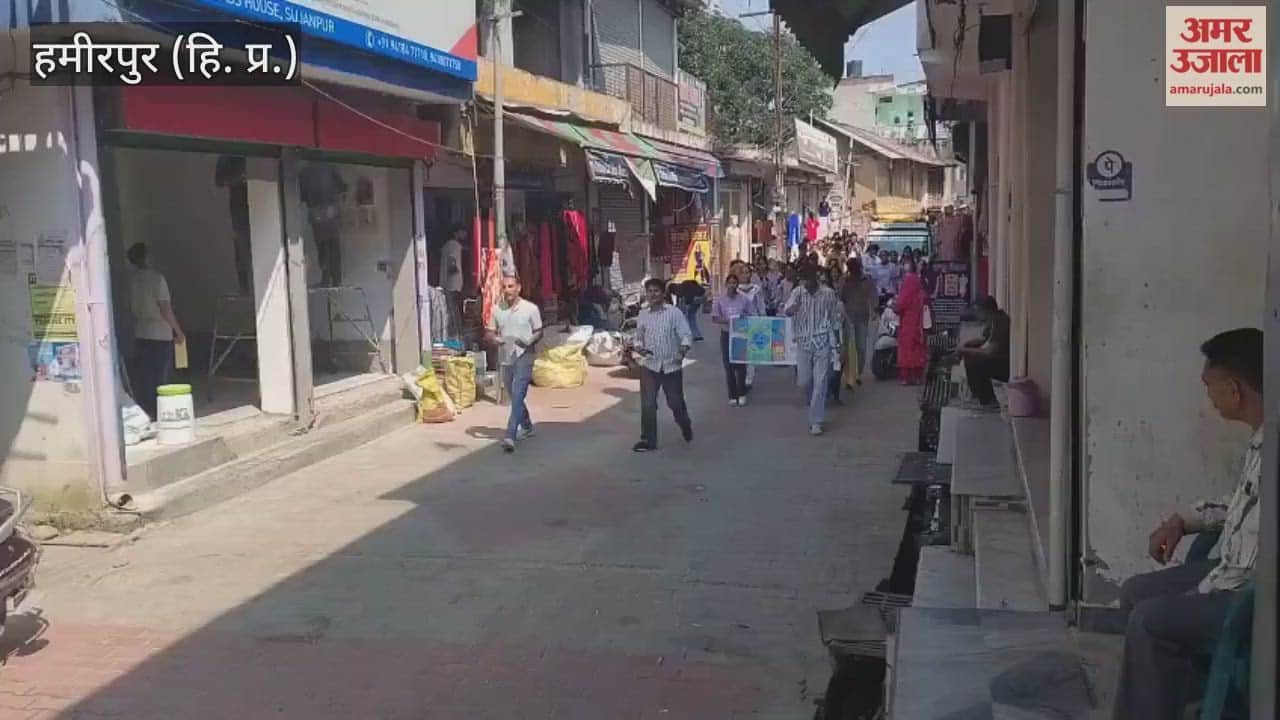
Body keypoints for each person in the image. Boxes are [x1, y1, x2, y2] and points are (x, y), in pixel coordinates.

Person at [1112, 328, 1263, 720]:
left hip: (1248, 594)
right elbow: (1238, 506)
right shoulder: (1262, 441)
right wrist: (1183, 521)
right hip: (1228, 573)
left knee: (1149, 620)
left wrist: (1202, 592)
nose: (1208, 398)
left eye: (1209, 386)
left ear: (1233, 389)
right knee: (1134, 593)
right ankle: (1189, 697)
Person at [631, 278, 694, 452]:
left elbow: (686, 335)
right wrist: (639, 348)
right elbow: (638, 337)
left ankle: (685, 424)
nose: (652, 294)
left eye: (656, 291)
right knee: (648, 404)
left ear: (663, 293)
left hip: (671, 366)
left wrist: (682, 351)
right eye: (649, 291)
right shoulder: (643, 314)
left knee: (675, 403)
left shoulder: (674, 313)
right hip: (649, 366)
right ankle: (649, 440)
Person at [127, 243, 185, 421]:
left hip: (141, 331)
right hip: (160, 333)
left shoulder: (133, 281)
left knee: (145, 375)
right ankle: (163, 413)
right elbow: (165, 309)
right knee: (162, 376)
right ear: (146, 257)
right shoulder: (157, 279)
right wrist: (178, 331)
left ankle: (147, 410)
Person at [486, 275, 543, 453]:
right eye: (504, 287)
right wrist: (496, 340)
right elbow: (489, 333)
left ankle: (510, 434)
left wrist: (529, 341)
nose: (508, 290)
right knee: (513, 393)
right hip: (505, 357)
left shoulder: (530, 309)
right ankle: (526, 425)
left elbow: (539, 331)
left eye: (511, 286)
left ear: (518, 288)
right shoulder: (496, 310)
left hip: (525, 355)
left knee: (518, 393)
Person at [784, 267, 841, 436]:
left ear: (816, 279)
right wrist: (794, 307)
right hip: (803, 342)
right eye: (803, 280)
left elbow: (833, 317)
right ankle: (813, 402)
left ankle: (816, 421)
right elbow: (787, 311)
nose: (805, 284)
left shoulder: (828, 294)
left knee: (820, 382)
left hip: (822, 340)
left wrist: (837, 342)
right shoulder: (797, 293)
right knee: (804, 381)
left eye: (808, 280)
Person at [958, 295, 1011, 408]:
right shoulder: (991, 320)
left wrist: (965, 350)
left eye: (977, 311)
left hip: (1006, 365)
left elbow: (990, 352)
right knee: (971, 356)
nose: (976, 314)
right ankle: (981, 397)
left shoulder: (1001, 321)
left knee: (974, 361)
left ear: (986, 310)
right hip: (999, 359)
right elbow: (984, 339)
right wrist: (969, 344)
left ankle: (987, 400)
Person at [711, 273, 753, 407]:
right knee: (728, 366)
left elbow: (750, 314)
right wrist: (728, 320)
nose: (732, 285)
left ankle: (742, 393)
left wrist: (741, 319)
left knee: (741, 365)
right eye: (730, 283)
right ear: (726, 284)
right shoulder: (720, 300)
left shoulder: (744, 299)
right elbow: (715, 318)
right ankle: (732, 394)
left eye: (735, 283)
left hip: (740, 335)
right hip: (726, 334)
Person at [841, 257, 878, 387]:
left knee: (861, 348)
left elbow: (873, 296)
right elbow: (841, 298)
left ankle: (857, 373)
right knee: (849, 349)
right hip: (848, 318)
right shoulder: (845, 281)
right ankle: (849, 376)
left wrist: (873, 311)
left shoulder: (867, 280)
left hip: (862, 317)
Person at [893, 259, 928, 385]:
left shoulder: (908, 281)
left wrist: (895, 307)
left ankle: (906, 377)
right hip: (919, 320)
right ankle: (918, 376)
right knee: (918, 348)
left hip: (908, 320)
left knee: (906, 348)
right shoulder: (918, 281)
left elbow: (902, 302)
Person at [440, 227, 465, 293]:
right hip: (453, 283)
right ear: (455, 233)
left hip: (447, 283)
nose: (465, 234)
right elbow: (451, 258)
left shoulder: (446, 245)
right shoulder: (453, 244)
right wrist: (454, 270)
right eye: (462, 232)